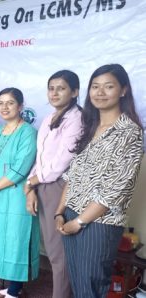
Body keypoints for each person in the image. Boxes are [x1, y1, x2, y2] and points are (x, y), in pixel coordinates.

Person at [55, 64, 144, 298]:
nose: (100, 92)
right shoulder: (90, 126)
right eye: (95, 86)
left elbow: (115, 189)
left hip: (98, 223)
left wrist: (81, 222)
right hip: (72, 215)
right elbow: (72, 176)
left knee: (91, 288)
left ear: (123, 90)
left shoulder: (130, 132)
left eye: (108, 86)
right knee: (79, 284)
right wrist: (59, 212)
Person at [24, 70, 82, 298]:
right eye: (51, 88)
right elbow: (41, 158)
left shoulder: (77, 119)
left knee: (59, 254)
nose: (55, 93)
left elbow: (60, 163)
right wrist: (31, 185)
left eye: (62, 88)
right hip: (43, 185)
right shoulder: (49, 118)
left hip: (59, 187)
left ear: (75, 92)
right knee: (52, 248)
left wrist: (32, 182)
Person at [0, 88, 39, 298]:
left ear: (21, 106)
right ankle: (11, 287)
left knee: (15, 240)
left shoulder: (28, 133)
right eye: (1, 103)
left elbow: (20, 169)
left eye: (10, 103)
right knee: (0, 238)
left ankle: (14, 291)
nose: (4, 107)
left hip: (15, 196)